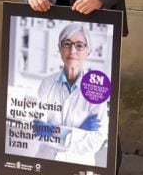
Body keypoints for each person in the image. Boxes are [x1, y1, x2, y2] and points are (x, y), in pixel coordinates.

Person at [30, 23, 109, 167]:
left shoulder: (97, 87)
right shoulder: (47, 83)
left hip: (79, 165)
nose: (72, 50)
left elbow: (96, 141)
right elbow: (38, 129)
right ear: (60, 49)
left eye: (79, 45)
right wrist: (78, 132)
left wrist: (52, 131)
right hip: (46, 162)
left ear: (88, 51)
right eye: (67, 44)